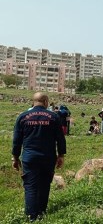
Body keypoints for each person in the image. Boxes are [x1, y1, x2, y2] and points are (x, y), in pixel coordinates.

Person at [12, 92, 66, 222]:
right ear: (46, 102)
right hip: (48, 157)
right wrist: (61, 155)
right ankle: (41, 212)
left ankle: (31, 216)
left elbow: (16, 140)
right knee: (44, 184)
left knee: (30, 186)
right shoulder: (53, 117)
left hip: (29, 157)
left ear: (34, 101)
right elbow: (60, 138)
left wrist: (15, 157)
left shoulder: (23, 117)